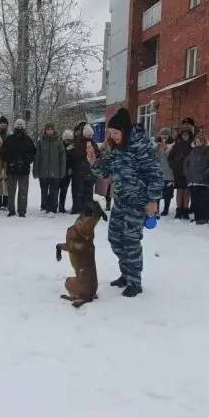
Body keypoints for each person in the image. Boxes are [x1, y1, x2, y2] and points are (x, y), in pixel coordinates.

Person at [88, 108, 163, 298]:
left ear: (125, 130)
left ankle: (134, 281)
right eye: (111, 133)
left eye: (116, 133)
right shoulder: (117, 148)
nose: (113, 136)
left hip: (138, 203)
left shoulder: (141, 147)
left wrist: (153, 200)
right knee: (115, 239)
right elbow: (105, 172)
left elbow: (155, 175)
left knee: (131, 241)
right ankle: (125, 274)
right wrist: (93, 162)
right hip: (120, 201)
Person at [1, 119, 36, 218]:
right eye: (18, 127)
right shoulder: (9, 139)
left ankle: (22, 211)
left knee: (23, 191)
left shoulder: (28, 140)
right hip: (11, 170)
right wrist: (11, 160)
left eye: (21, 127)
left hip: (24, 170)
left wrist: (25, 161)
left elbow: (33, 153)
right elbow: (3, 153)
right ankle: (11, 210)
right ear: (15, 127)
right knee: (11, 191)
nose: (19, 129)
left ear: (24, 128)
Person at [183, 133, 209, 225]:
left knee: (203, 201)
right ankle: (197, 217)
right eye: (197, 140)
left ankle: (204, 218)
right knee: (195, 201)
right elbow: (186, 163)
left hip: (203, 181)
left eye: (200, 140)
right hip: (193, 181)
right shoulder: (193, 151)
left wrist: (206, 173)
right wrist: (187, 174)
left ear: (204, 141)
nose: (198, 142)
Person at [34, 123, 66, 214]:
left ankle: (53, 208)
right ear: (45, 130)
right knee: (44, 191)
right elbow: (37, 157)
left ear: (53, 130)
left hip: (55, 171)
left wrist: (62, 171)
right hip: (43, 171)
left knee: (54, 191)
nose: (49, 131)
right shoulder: (41, 141)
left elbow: (62, 157)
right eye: (47, 129)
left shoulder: (58, 141)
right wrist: (36, 171)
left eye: (51, 129)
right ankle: (44, 207)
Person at [70, 124, 100, 215]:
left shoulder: (79, 142)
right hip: (86, 171)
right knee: (87, 191)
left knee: (81, 191)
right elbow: (97, 155)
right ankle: (85, 207)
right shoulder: (90, 143)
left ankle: (80, 208)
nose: (89, 137)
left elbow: (75, 155)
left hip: (82, 171)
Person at [168, 127, 195, 220]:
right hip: (178, 173)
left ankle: (185, 211)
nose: (185, 136)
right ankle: (179, 211)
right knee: (179, 192)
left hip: (189, 174)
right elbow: (170, 158)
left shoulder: (192, 146)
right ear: (181, 136)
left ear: (189, 136)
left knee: (187, 192)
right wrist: (175, 166)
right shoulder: (176, 146)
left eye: (187, 135)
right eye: (183, 135)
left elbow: (195, 160)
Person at [155, 128, 175, 216]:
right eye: (162, 134)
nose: (164, 136)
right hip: (158, 174)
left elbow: (172, 158)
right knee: (157, 193)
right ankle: (156, 209)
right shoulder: (157, 146)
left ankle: (166, 209)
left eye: (166, 134)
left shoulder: (173, 146)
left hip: (169, 173)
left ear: (169, 136)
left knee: (168, 194)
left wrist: (166, 150)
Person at [58, 129, 75, 214]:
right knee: (59, 189)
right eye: (66, 140)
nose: (67, 141)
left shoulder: (72, 147)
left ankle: (61, 206)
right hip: (61, 170)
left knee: (64, 190)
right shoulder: (60, 146)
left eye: (69, 140)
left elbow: (73, 160)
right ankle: (59, 206)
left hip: (67, 171)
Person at [0, 116, 10, 208]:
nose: (3, 124)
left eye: (5, 123)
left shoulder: (10, 134)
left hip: (7, 161)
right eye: (1, 123)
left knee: (7, 182)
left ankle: (6, 202)